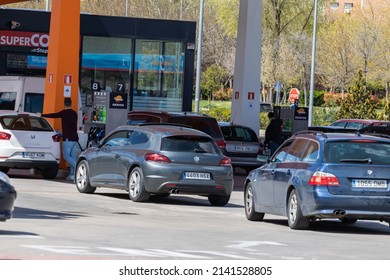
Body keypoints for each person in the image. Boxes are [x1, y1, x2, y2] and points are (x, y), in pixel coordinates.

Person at [40, 98, 79, 181]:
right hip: (75, 138)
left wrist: (42, 115)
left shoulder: (64, 113)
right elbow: (71, 126)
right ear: (70, 103)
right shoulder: (75, 113)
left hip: (67, 139)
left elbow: (54, 115)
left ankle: (78, 167)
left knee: (66, 156)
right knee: (72, 157)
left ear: (64, 104)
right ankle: (72, 175)